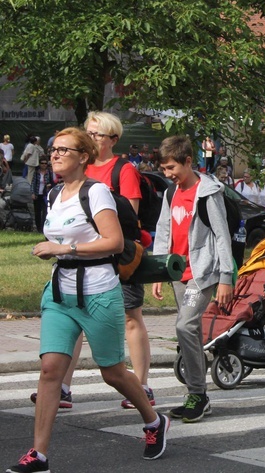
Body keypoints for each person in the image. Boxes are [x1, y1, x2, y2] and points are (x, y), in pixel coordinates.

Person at [7, 128, 169, 473]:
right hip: (60, 291)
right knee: (51, 369)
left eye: (63, 150)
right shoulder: (52, 194)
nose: (55, 155)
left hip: (98, 291)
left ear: (83, 157)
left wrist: (64, 248)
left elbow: (112, 242)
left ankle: (154, 422)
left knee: (112, 372)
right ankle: (39, 455)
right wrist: (57, 252)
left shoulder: (96, 194)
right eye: (53, 149)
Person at [34, 112, 155, 410]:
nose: (92, 137)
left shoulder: (119, 171)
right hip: (69, 275)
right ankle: (62, 385)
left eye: (98, 134)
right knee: (67, 330)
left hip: (113, 262)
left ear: (111, 139)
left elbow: (127, 220)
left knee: (130, 318)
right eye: (88, 132)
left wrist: (80, 242)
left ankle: (140, 386)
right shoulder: (59, 187)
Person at [152, 135, 234, 422]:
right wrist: (158, 270)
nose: (168, 174)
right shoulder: (170, 192)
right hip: (177, 271)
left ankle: (197, 393)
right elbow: (164, 230)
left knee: (185, 325)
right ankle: (197, 394)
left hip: (202, 272)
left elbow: (222, 235)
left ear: (189, 161)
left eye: (172, 167)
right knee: (188, 330)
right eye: (163, 169)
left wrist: (226, 277)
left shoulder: (208, 192)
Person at [31, 157, 55, 233]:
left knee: (45, 212)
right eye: (42, 163)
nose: (44, 165)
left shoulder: (49, 173)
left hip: (45, 194)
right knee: (37, 212)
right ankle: (38, 228)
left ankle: (43, 228)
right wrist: (32, 193)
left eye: (45, 163)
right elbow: (33, 183)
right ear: (40, 164)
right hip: (38, 194)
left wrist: (49, 186)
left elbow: (53, 183)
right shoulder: (36, 172)